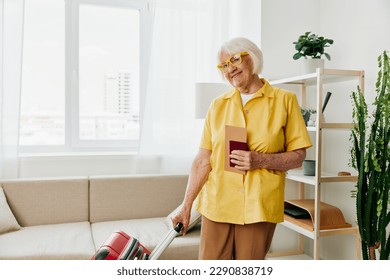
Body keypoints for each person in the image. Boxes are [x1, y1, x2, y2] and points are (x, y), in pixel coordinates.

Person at [171, 37, 312, 260]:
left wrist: (259, 160)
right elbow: (202, 160)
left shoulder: (285, 101)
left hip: (259, 206)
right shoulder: (218, 105)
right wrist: (185, 207)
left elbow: (298, 157)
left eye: (235, 60)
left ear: (252, 59)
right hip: (217, 204)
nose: (230, 69)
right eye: (224, 65)